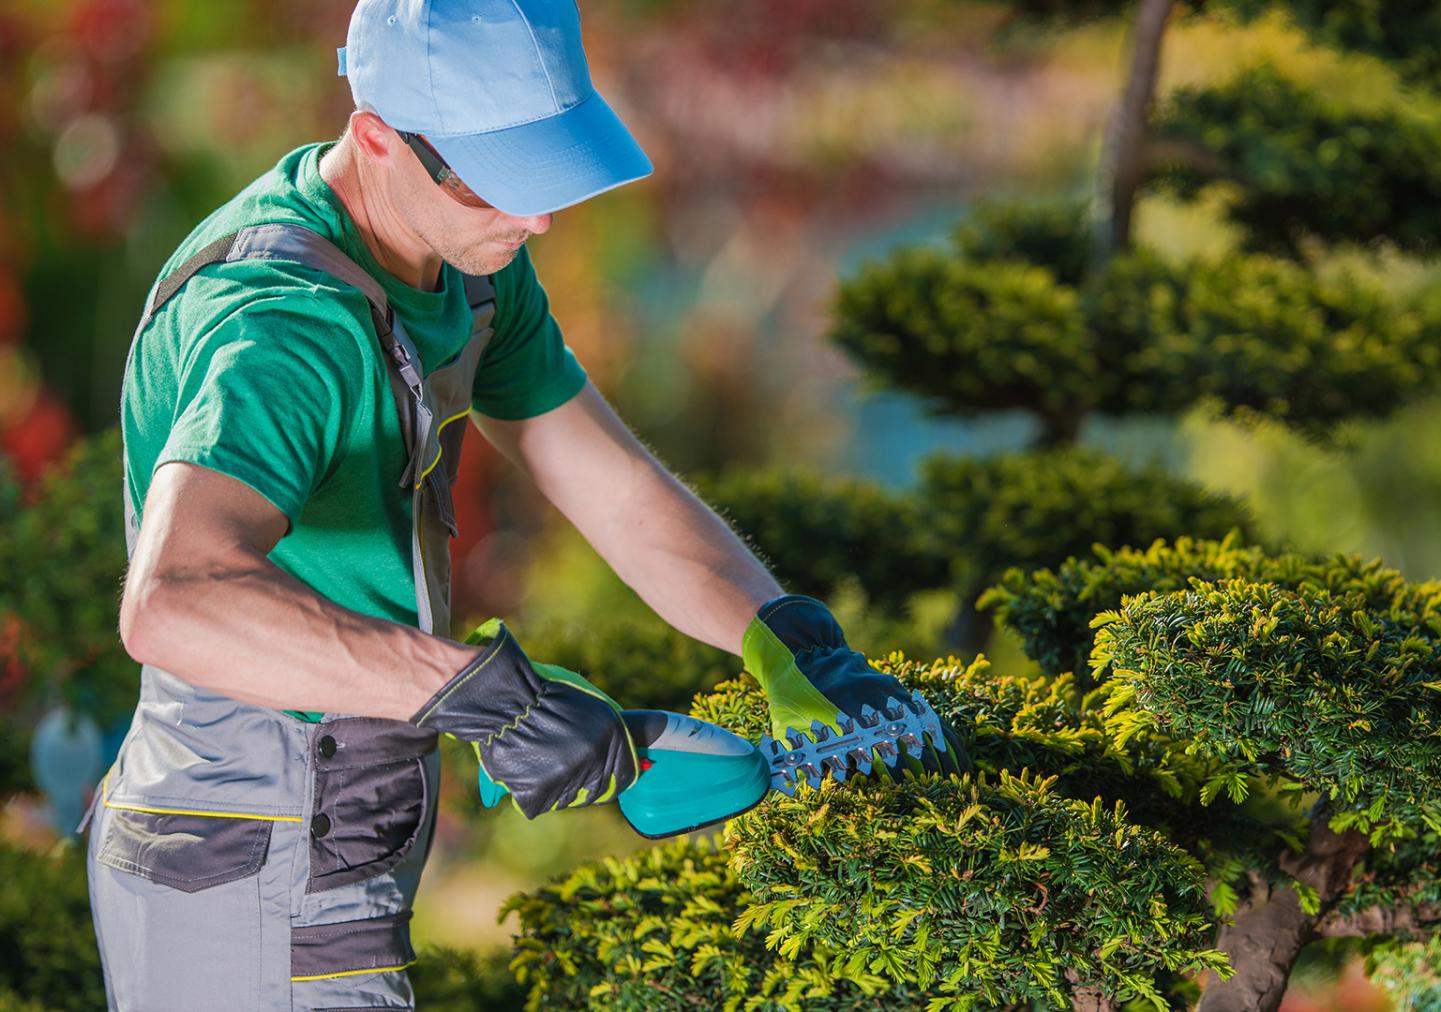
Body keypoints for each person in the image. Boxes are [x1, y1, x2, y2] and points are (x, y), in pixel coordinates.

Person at [80, 2, 964, 1008]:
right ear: (377, 139)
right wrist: (493, 698)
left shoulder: (463, 265)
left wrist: (785, 638)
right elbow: (176, 602)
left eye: (544, 167)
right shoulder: (286, 331)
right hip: (242, 849)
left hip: (342, 811)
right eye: (495, 176)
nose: (536, 217)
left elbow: (611, 486)